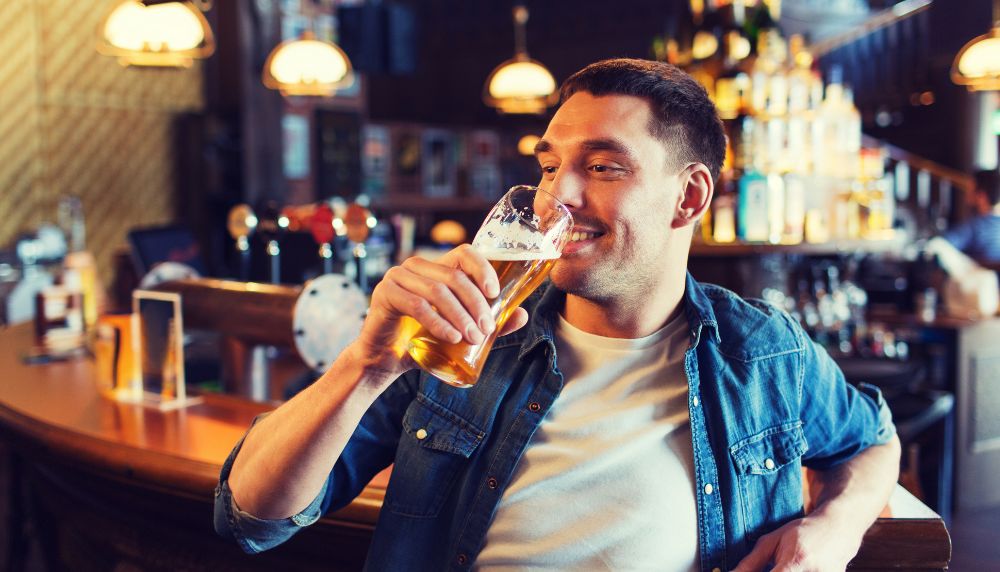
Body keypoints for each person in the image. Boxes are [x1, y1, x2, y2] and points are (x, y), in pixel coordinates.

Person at [214, 59, 899, 572]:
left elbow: (873, 441)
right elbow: (250, 516)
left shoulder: (762, 354)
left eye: (602, 168)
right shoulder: (472, 335)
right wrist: (364, 366)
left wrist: (836, 529)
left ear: (688, 199)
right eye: (548, 166)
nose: (556, 197)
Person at [943, 169, 1000, 265]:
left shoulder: (974, 225)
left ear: (981, 196)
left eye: (970, 189)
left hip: (981, 277)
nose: (966, 194)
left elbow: (942, 245)